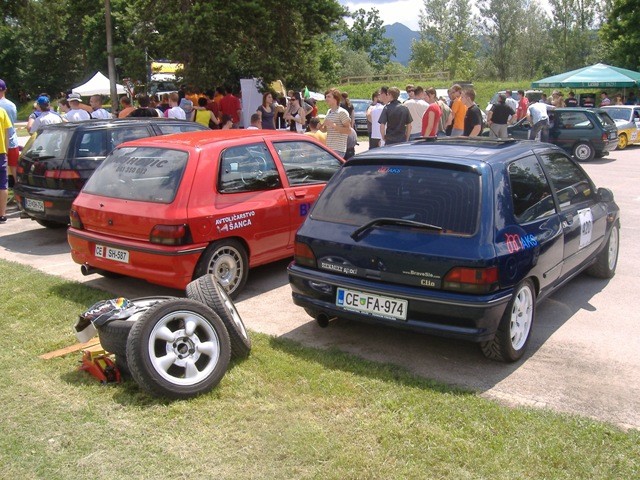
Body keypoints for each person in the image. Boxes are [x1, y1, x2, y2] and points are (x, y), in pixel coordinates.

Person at [0, 79, 20, 183]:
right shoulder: (12, 105)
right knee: (14, 168)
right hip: (12, 141)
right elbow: (12, 122)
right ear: (5, 90)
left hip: (1, 143)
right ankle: (19, 190)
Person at [322, 88, 351, 157]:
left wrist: (334, 126)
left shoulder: (342, 112)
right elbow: (325, 130)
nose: (326, 99)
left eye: (329, 97)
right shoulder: (329, 112)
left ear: (336, 98)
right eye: (326, 97)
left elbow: (349, 130)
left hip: (338, 149)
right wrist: (320, 127)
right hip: (329, 148)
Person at [0, 104, 12, 223]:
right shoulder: (2, 111)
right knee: (2, 184)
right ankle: (2, 214)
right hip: (1, 152)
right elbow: (6, 134)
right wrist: (6, 151)